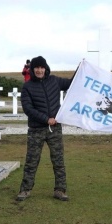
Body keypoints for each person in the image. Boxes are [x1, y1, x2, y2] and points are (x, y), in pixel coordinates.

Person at [16, 56, 74, 202]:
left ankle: (60, 190)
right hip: (36, 129)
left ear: (46, 68)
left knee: (58, 160)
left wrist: (81, 68)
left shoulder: (54, 81)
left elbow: (71, 83)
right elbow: (28, 108)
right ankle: (25, 190)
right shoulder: (28, 87)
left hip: (55, 129)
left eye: (42, 67)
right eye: (37, 68)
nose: (39, 70)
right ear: (32, 69)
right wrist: (45, 119)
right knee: (32, 161)